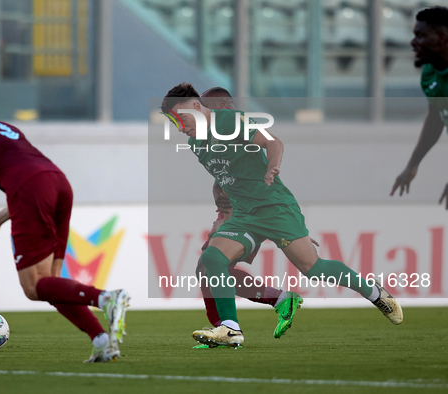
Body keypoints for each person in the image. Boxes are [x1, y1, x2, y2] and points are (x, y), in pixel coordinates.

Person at [161, 83, 403, 348]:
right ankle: (230, 329)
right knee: (212, 258)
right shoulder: (196, 143)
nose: (180, 128)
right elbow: (227, 178)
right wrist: (225, 216)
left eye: (181, 118)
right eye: (174, 123)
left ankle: (374, 293)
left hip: (274, 207)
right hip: (244, 214)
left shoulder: (229, 121)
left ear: (197, 107)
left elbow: (273, 142)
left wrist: (272, 167)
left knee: (313, 268)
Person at [0, 77, 130, 363]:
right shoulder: (5, 127)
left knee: (33, 287)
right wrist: (2, 215)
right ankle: (102, 341)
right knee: (51, 282)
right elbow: (30, 172)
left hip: (31, 189)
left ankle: (106, 298)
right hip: (58, 183)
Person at [194, 87, 306, 343]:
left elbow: (271, 152)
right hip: (230, 210)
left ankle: (227, 326)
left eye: (209, 109)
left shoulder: (237, 129)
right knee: (208, 269)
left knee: (209, 265)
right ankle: (230, 323)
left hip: (241, 211)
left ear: (225, 106)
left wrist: (289, 224)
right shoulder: (217, 134)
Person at [391, 6, 448, 208]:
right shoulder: (430, 73)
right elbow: (436, 118)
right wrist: (413, 163)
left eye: (420, 36)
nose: (413, 42)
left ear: (441, 37)